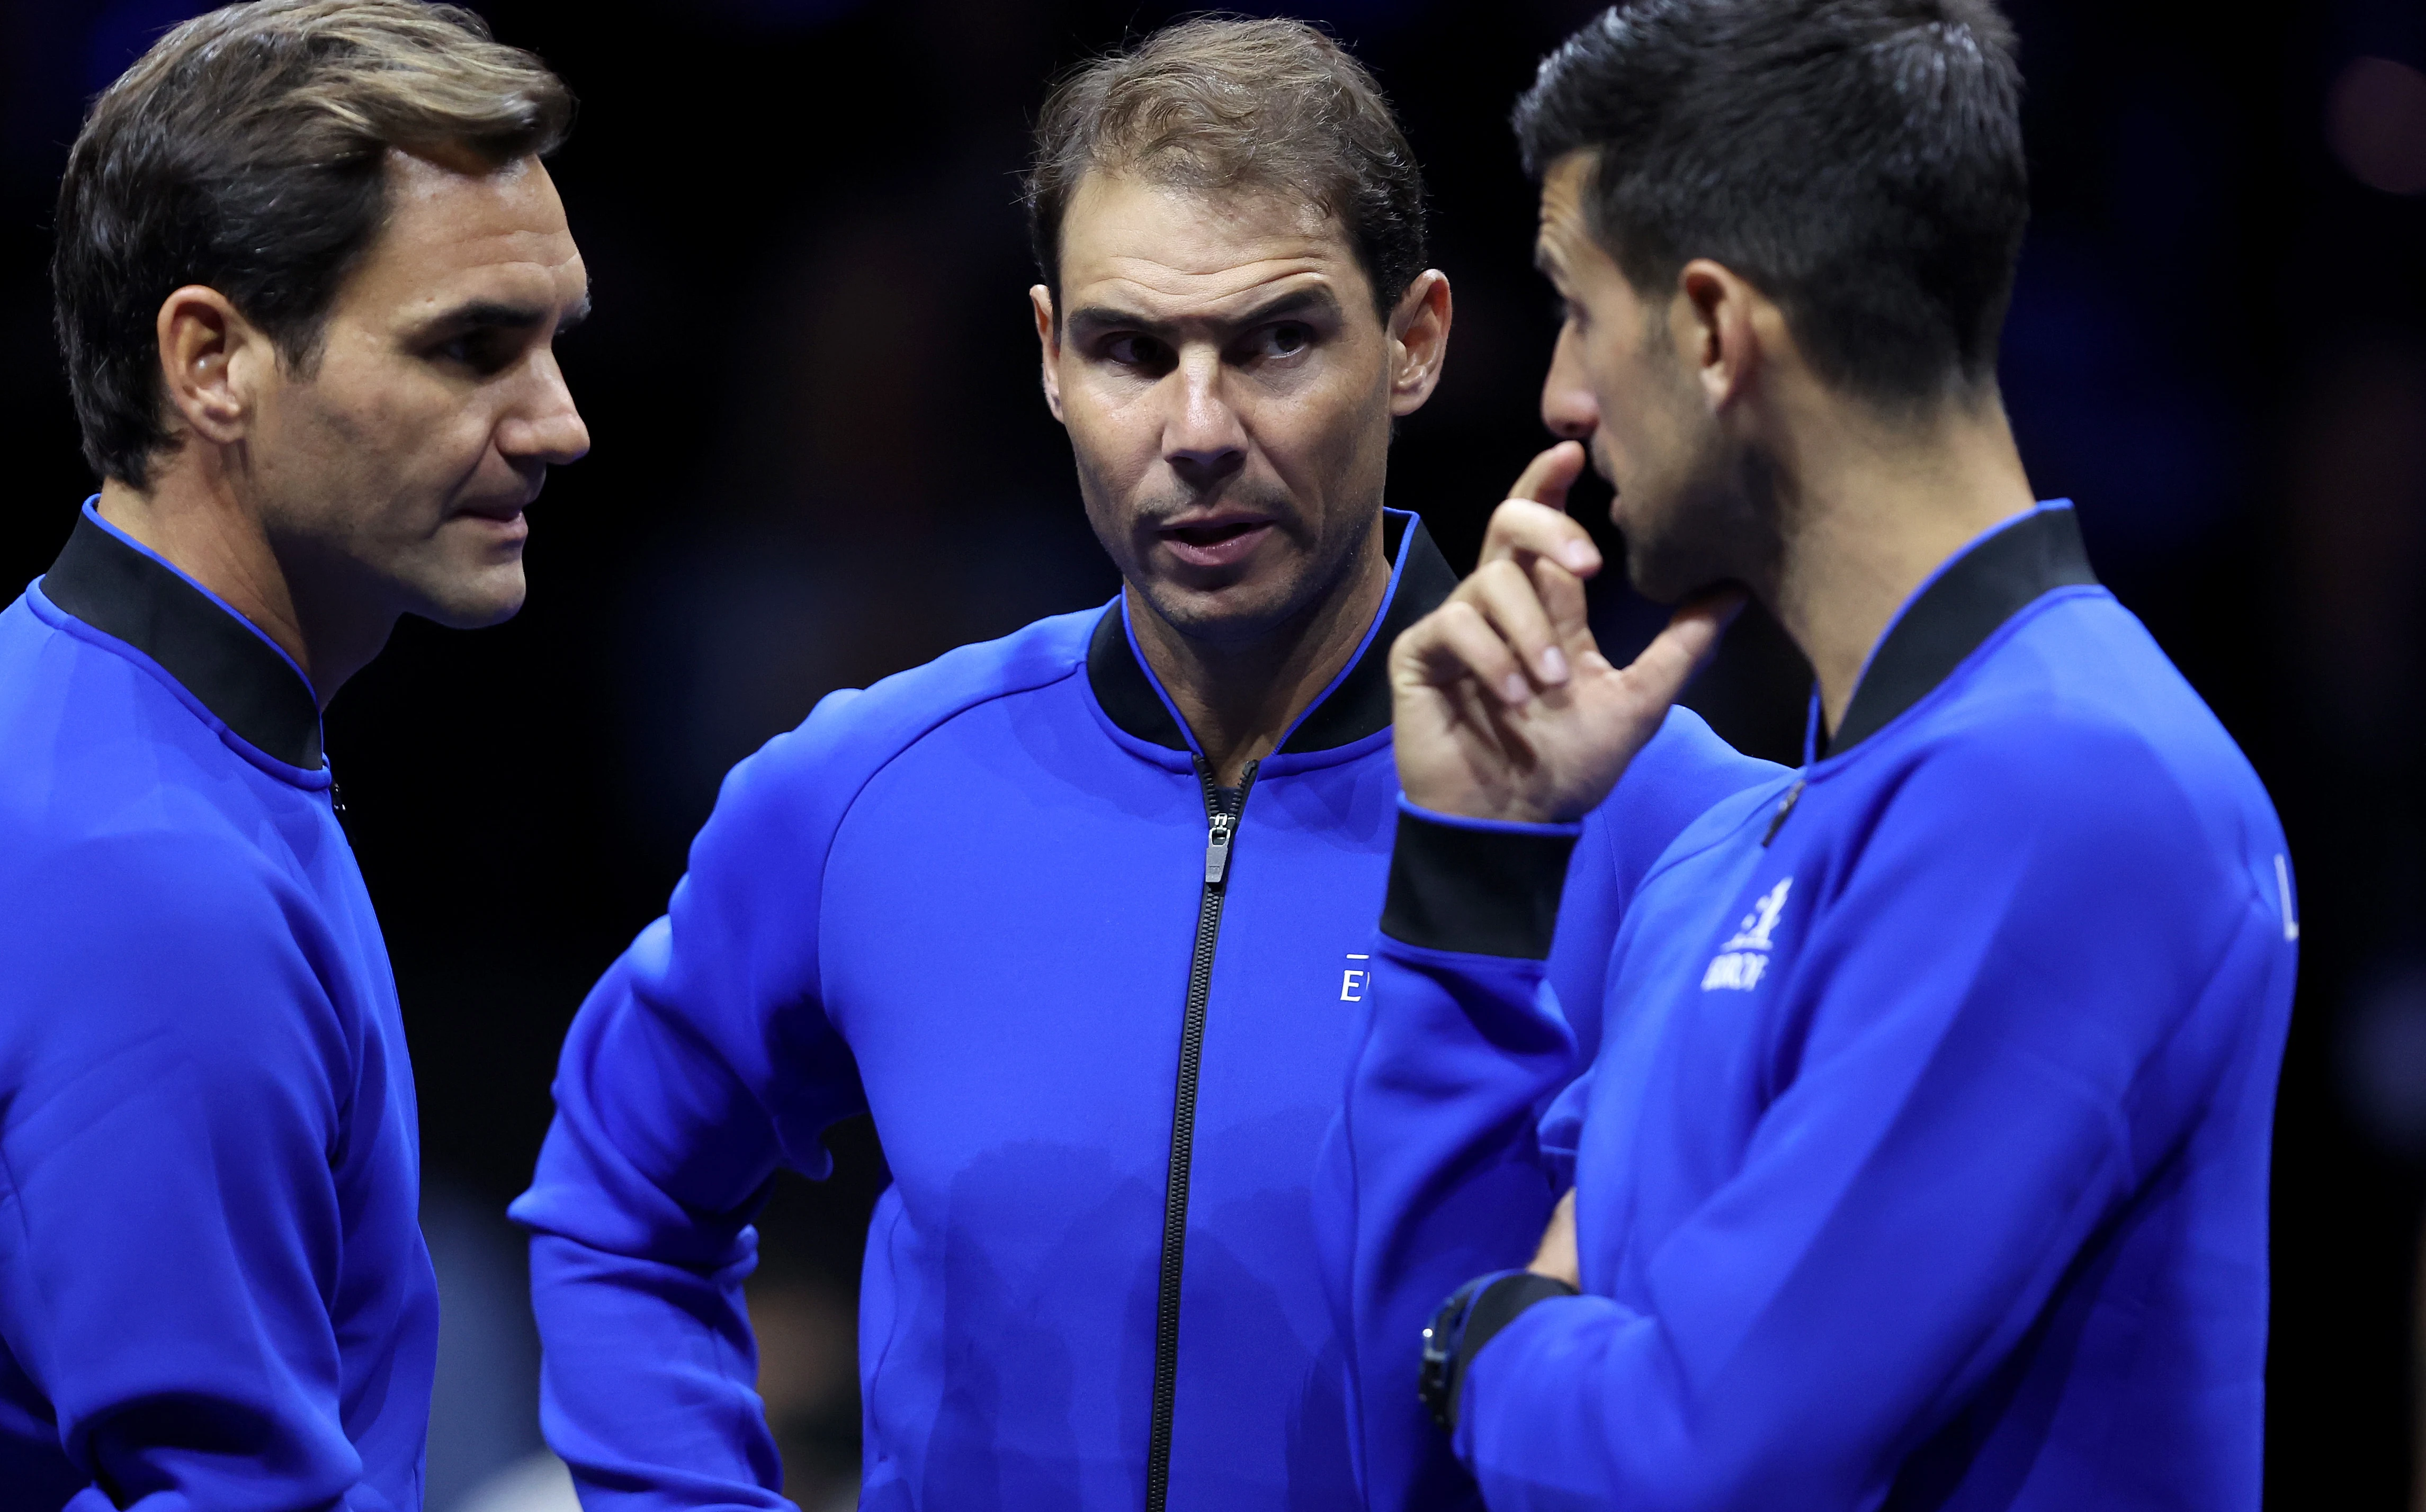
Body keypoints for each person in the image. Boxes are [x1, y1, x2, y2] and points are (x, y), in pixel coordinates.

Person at [512, 17, 1771, 1511]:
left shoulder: (1679, 833)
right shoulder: (863, 792)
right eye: (1130, 351)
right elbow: (612, 1200)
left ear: (1416, 342)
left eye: (1275, 341)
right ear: (1048, 359)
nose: (1197, 431)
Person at [1340, 1, 2298, 1508]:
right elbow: (1413, 1439)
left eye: (1575, 312)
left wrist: (1482, 1346)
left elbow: (1703, 1460)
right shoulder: (1724, 856)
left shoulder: (2071, 787)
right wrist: (1473, 865)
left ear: (1715, 331)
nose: (1557, 402)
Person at [0, 3, 588, 1506]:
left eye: (551, 341)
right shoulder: (139, 874)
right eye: (472, 347)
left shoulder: (10, 688)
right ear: (211, 361)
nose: (558, 422)